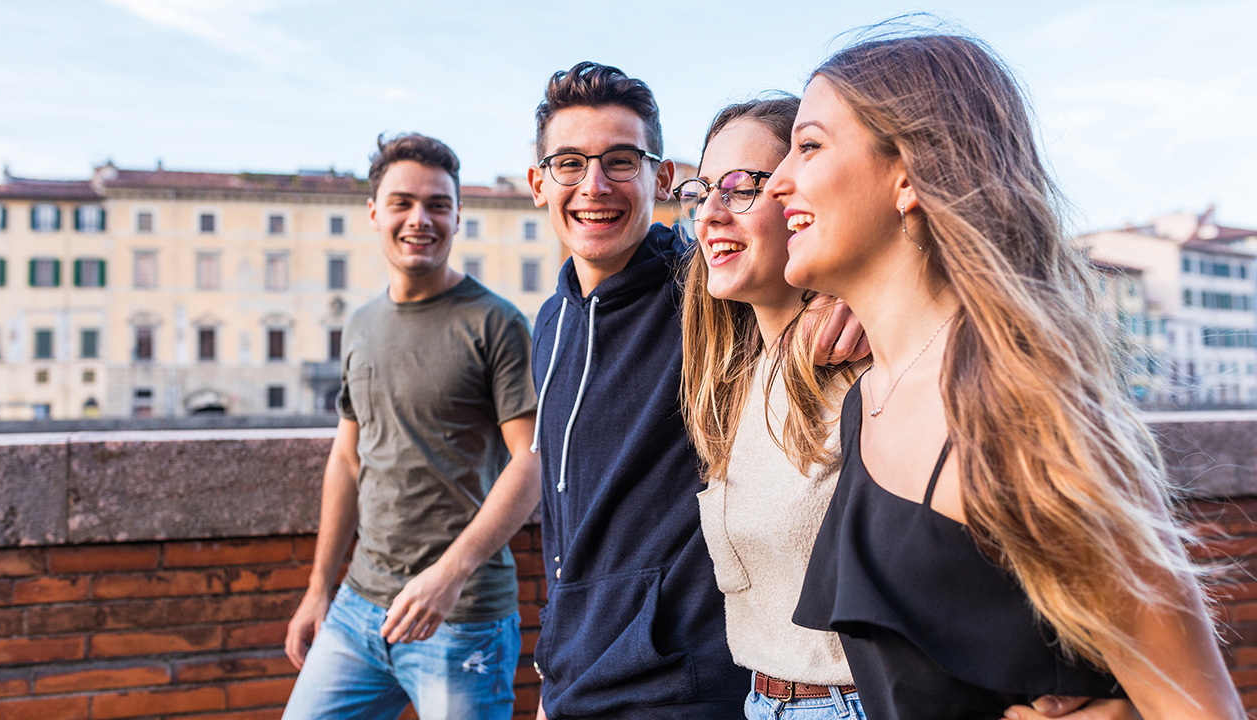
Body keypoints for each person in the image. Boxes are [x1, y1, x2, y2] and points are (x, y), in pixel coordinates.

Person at [763, 31, 1244, 720]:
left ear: (909, 174)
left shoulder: (1017, 413)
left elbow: (1203, 708)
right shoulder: (867, 397)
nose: (777, 181)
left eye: (808, 146)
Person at [524, 61, 868, 720]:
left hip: (678, 686)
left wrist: (852, 289)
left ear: (660, 179)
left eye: (621, 161)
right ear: (540, 183)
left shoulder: (704, 286)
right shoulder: (549, 323)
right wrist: (552, 672)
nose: (594, 185)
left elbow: (797, 249)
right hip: (574, 681)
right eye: (569, 163)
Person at [281, 133, 540, 720]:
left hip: (461, 614)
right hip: (359, 607)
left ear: (457, 216)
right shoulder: (360, 325)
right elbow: (347, 460)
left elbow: (530, 460)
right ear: (375, 212)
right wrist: (319, 588)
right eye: (402, 202)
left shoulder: (496, 322)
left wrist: (449, 575)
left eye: (437, 205)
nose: (420, 219)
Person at [678, 94, 869, 720]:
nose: (711, 214)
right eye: (701, 191)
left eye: (740, 188)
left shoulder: (864, 359)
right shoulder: (737, 380)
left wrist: (860, 295)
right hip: (761, 701)